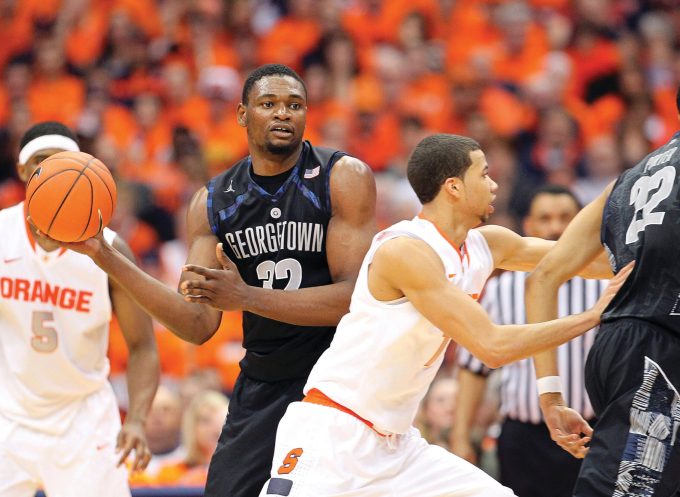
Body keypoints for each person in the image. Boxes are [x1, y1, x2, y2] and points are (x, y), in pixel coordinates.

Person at [45, 64, 378, 497]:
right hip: (264, 380)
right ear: (242, 115)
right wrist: (104, 256)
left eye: (294, 105)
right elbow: (196, 324)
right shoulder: (214, 202)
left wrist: (246, 297)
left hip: (338, 375)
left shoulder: (341, 176)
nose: (283, 113)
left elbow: (353, 299)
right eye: (269, 104)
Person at [256, 133, 631, 497]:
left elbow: (583, 261)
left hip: (397, 445)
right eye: (483, 174)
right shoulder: (405, 251)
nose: (494, 185)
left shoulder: (488, 245)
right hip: (335, 433)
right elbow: (492, 347)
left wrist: (645, 248)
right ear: (454, 187)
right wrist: (591, 316)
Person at [0, 121, 160, 497]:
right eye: (41, 161)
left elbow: (143, 346)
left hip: (83, 417)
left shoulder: (109, 250)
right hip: (6, 413)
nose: (52, 170)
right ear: (22, 171)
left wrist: (136, 419)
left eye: (62, 161)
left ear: (81, 169)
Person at [527, 90, 680, 496]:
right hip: (655, 356)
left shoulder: (625, 181)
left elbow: (544, 276)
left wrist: (550, 396)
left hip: (620, 345)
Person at [451, 185, 608, 497]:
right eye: (545, 218)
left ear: (581, 223)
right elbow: (474, 368)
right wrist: (460, 436)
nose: (555, 227)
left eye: (565, 217)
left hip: (592, 431)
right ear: (529, 226)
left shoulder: (605, 285)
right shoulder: (501, 289)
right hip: (523, 437)